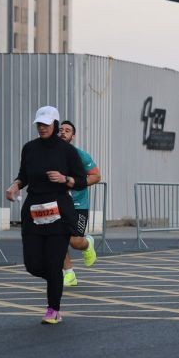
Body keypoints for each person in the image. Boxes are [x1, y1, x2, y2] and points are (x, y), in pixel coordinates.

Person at [5, 106, 87, 324]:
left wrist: (65, 179)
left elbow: (81, 179)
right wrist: (15, 186)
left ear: (55, 124)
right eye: (39, 124)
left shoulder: (68, 151)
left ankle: (53, 309)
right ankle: (55, 278)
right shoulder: (29, 148)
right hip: (34, 212)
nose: (42, 128)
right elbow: (24, 175)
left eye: (46, 124)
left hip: (59, 212)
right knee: (33, 264)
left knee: (53, 262)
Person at [57, 120, 101, 287]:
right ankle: (69, 274)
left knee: (75, 242)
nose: (63, 132)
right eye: (61, 130)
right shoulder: (50, 155)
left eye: (67, 130)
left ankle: (88, 243)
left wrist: (74, 183)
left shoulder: (81, 156)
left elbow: (96, 176)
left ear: (72, 136)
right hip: (58, 204)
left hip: (78, 205)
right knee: (57, 239)